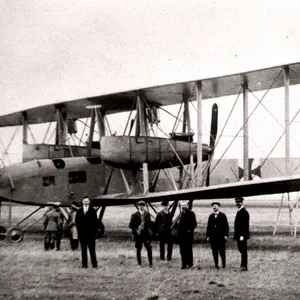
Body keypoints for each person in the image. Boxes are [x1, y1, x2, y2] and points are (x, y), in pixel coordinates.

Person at [75, 196, 98, 268]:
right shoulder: (79, 211)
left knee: (92, 251)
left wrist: (94, 232)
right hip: (82, 235)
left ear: (89, 202)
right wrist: (80, 230)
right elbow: (77, 222)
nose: (86, 202)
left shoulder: (93, 211)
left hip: (91, 234)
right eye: (84, 201)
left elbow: (95, 222)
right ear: (82, 202)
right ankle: (84, 265)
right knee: (83, 250)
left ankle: (94, 265)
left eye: (87, 201)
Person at [129, 200, 153, 267]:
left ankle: (151, 263)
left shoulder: (147, 214)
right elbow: (130, 225)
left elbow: (150, 224)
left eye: (142, 205)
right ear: (138, 206)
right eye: (140, 205)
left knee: (149, 248)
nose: (141, 207)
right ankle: (139, 264)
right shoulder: (134, 215)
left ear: (144, 206)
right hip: (138, 234)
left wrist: (150, 231)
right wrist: (136, 229)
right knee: (139, 249)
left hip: (146, 234)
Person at [206, 202, 229, 269]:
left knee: (222, 251)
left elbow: (226, 226)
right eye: (213, 206)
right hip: (213, 237)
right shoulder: (211, 216)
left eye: (215, 206)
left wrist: (226, 235)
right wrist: (208, 236)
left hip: (221, 236)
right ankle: (216, 264)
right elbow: (208, 227)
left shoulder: (223, 215)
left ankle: (224, 264)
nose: (214, 207)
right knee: (214, 251)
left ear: (218, 207)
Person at [177, 201, 197, 269]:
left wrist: (189, 230)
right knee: (182, 251)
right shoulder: (182, 213)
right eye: (182, 206)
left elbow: (194, 224)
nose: (183, 207)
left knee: (188, 250)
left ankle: (190, 264)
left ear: (187, 206)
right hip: (181, 236)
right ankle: (184, 264)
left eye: (184, 205)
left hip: (188, 236)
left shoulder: (191, 213)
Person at [234, 196, 250, 271]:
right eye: (236, 202)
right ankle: (243, 265)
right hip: (239, 235)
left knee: (243, 250)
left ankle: (244, 266)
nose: (238, 203)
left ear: (242, 202)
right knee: (241, 250)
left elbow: (245, 225)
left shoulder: (244, 212)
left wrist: (242, 235)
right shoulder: (240, 211)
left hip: (242, 235)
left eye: (239, 202)